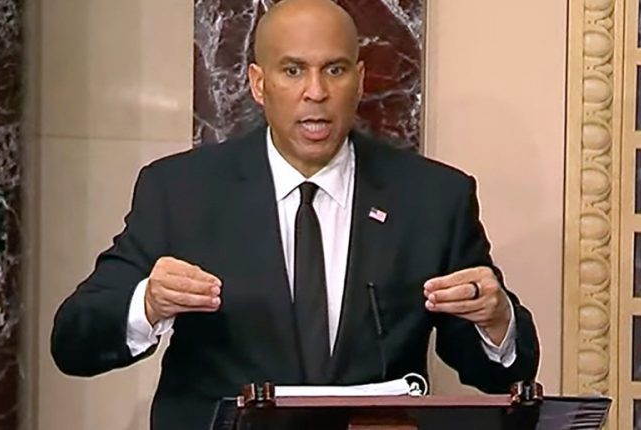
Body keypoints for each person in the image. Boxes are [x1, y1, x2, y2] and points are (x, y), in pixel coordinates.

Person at [50, 1, 540, 429]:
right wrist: (148, 304)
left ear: (361, 80)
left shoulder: (432, 197)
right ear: (259, 84)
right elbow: (75, 342)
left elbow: (502, 375)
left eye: (334, 70)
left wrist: (497, 323)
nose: (316, 92)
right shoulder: (180, 191)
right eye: (292, 71)